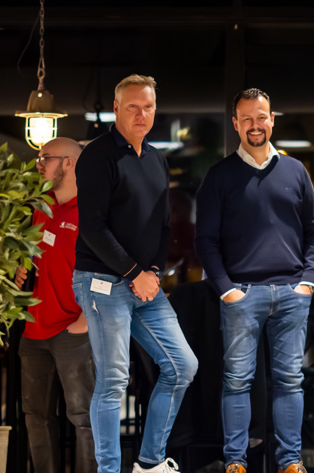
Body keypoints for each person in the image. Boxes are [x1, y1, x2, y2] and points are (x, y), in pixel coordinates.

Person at [195, 89, 314, 473]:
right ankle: (235, 462)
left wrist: (308, 281)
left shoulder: (295, 170)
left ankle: (290, 462)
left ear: (272, 120)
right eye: (247, 118)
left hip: (292, 292)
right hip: (242, 294)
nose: (256, 125)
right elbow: (205, 240)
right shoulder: (220, 175)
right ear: (236, 124)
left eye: (262, 117)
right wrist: (226, 289)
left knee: (290, 381)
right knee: (237, 381)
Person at [73, 75, 198, 473]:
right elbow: (93, 228)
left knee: (182, 366)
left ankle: (149, 463)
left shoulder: (157, 159)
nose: (141, 114)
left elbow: (163, 225)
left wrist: (153, 271)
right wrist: (133, 272)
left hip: (144, 284)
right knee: (113, 380)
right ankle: (109, 470)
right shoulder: (98, 156)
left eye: (148, 107)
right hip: (102, 283)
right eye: (132, 107)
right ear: (116, 109)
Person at [16, 137, 97, 473]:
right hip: (34, 329)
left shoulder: (91, 210)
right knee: (36, 417)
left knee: (84, 417)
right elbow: (38, 256)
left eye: (45, 158)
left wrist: (86, 319)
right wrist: (21, 268)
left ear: (68, 162)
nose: (38, 165)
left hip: (73, 330)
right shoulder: (41, 206)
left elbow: (107, 271)